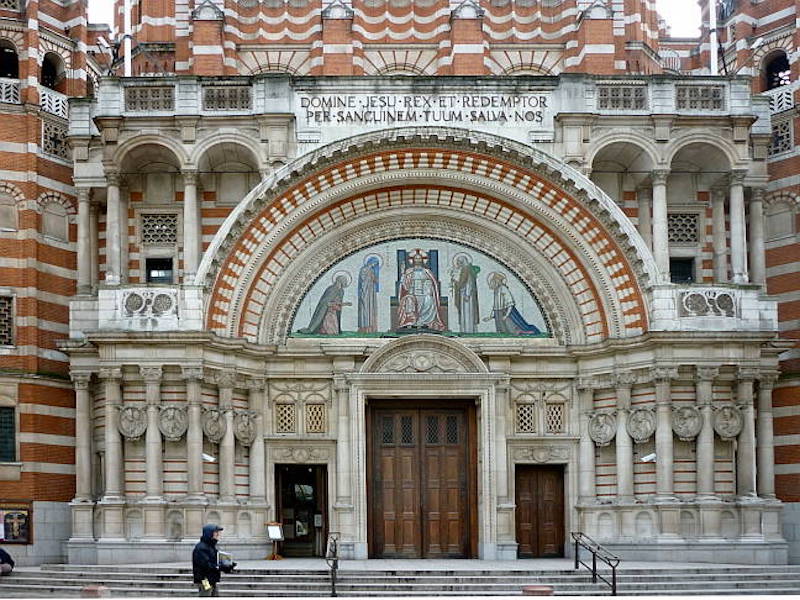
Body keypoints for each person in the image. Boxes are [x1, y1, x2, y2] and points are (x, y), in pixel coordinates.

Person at [396, 250, 445, 330]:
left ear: (422, 260)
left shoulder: (426, 272)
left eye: (419, 259)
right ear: (413, 260)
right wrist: (403, 274)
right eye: (416, 258)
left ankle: (423, 322)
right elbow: (405, 286)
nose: (417, 260)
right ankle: (411, 322)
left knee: (429, 300)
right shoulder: (409, 272)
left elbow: (432, 284)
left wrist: (428, 289)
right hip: (412, 294)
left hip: (424, 293)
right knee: (409, 300)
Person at [192, 524, 235, 597]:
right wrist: (220, 567)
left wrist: (227, 566)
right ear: (209, 533)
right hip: (204, 580)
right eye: (216, 532)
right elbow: (206, 565)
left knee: (214, 595)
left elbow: (215, 562)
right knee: (206, 594)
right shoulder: (201, 548)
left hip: (212, 579)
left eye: (218, 532)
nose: (218, 534)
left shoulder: (211, 546)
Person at [449, 254, 480, 333]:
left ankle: (468, 330)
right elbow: (461, 282)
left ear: (463, 262)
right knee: (464, 313)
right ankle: (465, 329)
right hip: (463, 294)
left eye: (459, 262)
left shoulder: (466, 270)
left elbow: (469, 283)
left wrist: (467, 294)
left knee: (468, 313)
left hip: (467, 296)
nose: (458, 264)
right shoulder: (464, 270)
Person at [357, 255, 380, 333]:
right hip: (365, 292)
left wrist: (374, 279)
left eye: (376, 264)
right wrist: (370, 278)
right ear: (371, 262)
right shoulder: (364, 269)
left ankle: (371, 328)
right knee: (365, 309)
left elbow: (375, 281)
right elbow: (363, 280)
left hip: (371, 292)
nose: (375, 265)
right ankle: (364, 328)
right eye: (375, 263)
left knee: (371, 309)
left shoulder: (372, 270)